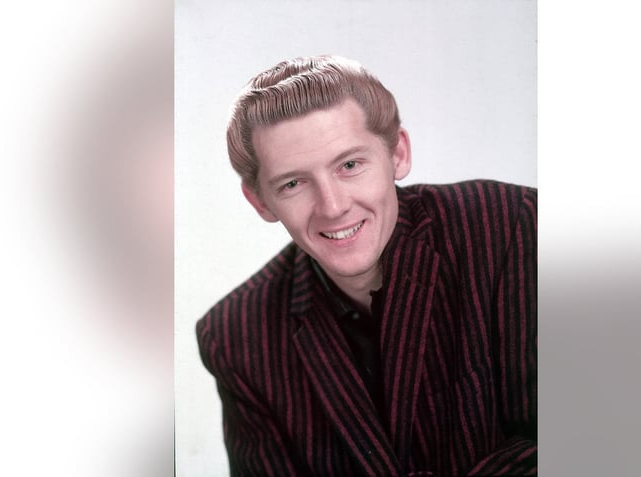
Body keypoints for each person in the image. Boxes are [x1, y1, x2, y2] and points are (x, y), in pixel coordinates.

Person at [197, 55, 537, 476]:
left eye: (350, 165)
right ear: (261, 201)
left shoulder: (513, 226)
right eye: (293, 183)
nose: (333, 207)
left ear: (397, 154)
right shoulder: (236, 333)